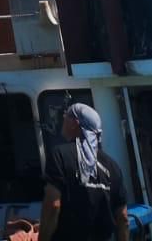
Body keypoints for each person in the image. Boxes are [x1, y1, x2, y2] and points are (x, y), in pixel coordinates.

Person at [40, 103, 128, 241]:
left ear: (74, 123)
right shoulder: (113, 166)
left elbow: (53, 205)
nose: (63, 118)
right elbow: (122, 218)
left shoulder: (59, 155)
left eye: (66, 115)